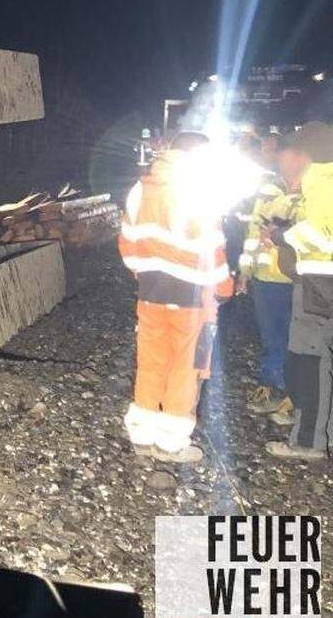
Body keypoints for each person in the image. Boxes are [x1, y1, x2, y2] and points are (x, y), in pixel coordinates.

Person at [118, 131, 234, 462]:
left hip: (151, 291)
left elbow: (127, 240)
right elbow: (212, 250)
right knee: (187, 366)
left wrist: (145, 272)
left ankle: (142, 432)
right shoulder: (200, 191)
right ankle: (170, 442)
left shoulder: (141, 188)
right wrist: (225, 288)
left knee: (151, 360)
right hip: (193, 297)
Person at [265, 122, 333, 460]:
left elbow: (324, 235)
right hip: (318, 282)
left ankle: (308, 442)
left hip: (320, 284)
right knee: (319, 360)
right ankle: (322, 434)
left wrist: (283, 236)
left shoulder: (323, 183)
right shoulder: (320, 183)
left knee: (310, 362)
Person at [240, 133, 309, 422]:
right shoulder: (267, 189)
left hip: (296, 278)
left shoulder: (311, 193)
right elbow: (253, 234)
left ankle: (290, 393)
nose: (276, 159)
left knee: (295, 339)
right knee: (272, 337)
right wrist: (244, 272)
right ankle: (274, 388)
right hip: (265, 278)